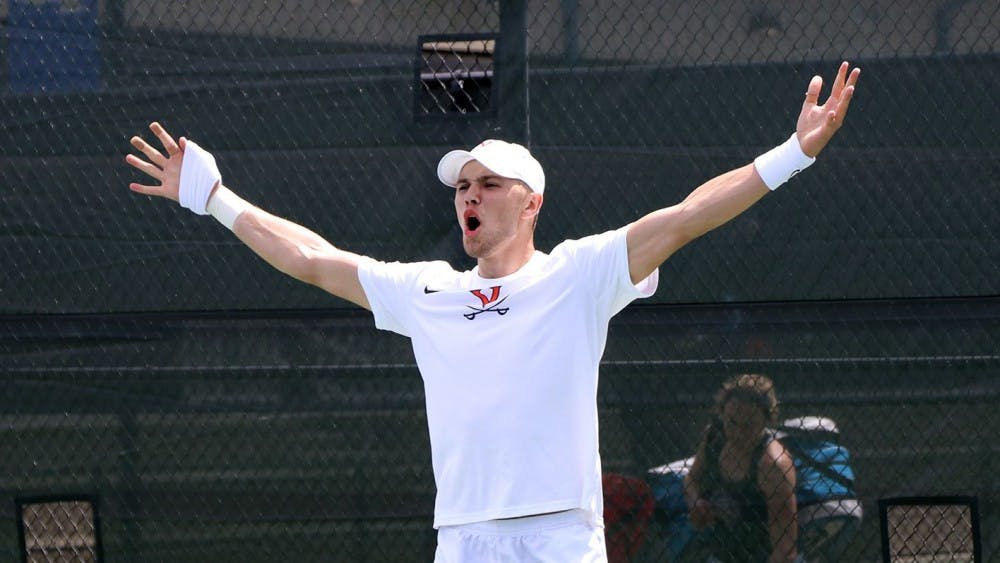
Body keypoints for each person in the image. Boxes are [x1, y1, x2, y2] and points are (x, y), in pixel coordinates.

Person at [124, 62, 859, 562]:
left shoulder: (580, 274)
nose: (469, 195)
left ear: (531, 202)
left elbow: (690, 214)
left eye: (488, 184)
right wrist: (214, 197)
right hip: (464, 539)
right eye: (462, 187)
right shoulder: (426, 293)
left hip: (561, 538)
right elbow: (311, 258)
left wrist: (793, 153)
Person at [683, 374, 798, 563]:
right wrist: (696, 502)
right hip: (719, 554)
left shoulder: (773, 465)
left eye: (748, 425)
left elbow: (785, 550)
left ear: (766, 420)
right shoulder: (714, 437)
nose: (738, 433)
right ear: (722, 414)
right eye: (732, 422)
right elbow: (692, 479)